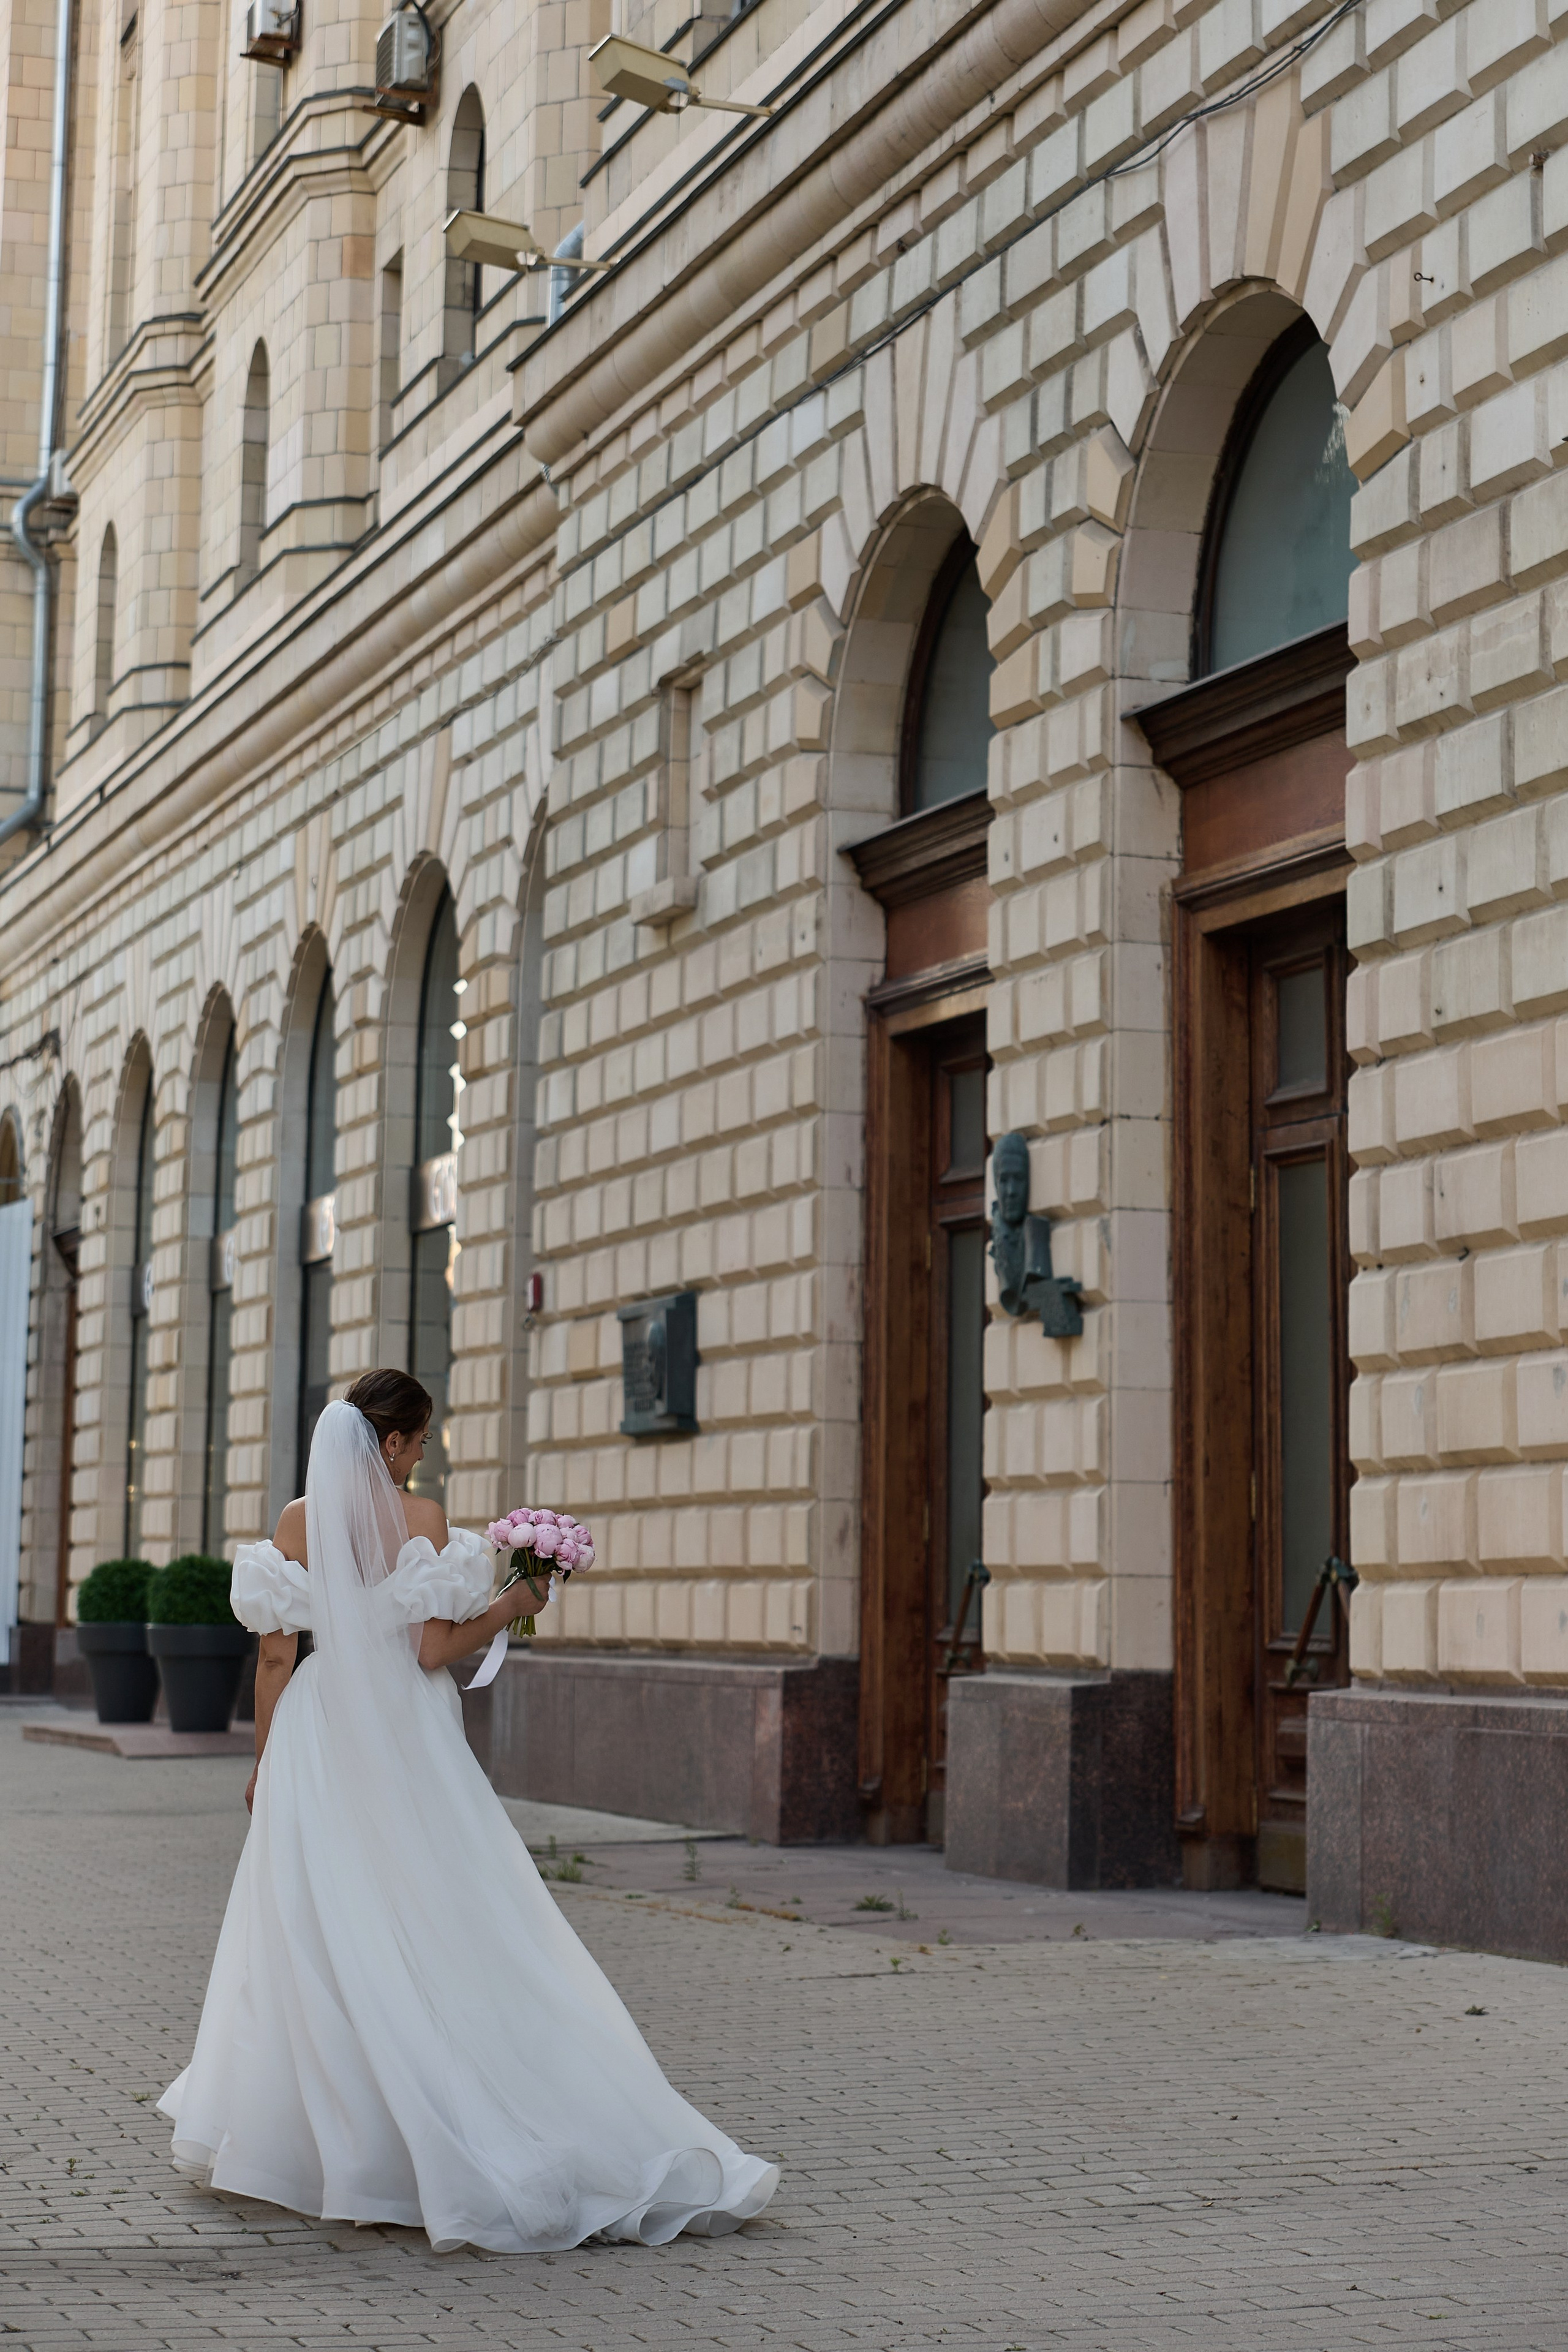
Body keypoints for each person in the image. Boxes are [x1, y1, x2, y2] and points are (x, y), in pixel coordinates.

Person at [157, 1370, 778, 2253]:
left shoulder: (296, 1521)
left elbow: (272, 1660)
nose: (422, 1455)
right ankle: (447, 2117)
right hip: (407, 1736)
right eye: (420, 1440)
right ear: (399, 1442)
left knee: (317, 1926)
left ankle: (333, 2147)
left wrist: (266, 1765)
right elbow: (427, 1651)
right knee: (441, 1912)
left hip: (319, 1731)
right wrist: (514, 1605)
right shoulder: (422, 1519)